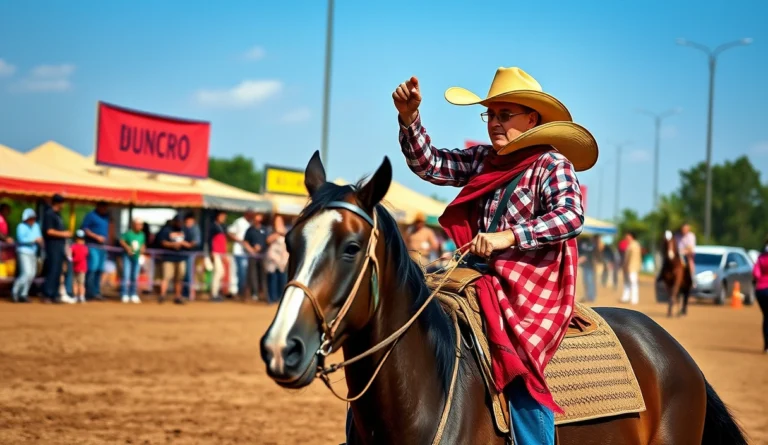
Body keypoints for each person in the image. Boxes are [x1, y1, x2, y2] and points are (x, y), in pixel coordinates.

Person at [386, 67, 595, 444]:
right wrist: (409, 118)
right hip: (477, 277)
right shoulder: (483, 158)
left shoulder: (552, 164)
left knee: (519, 368)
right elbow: (430, 165)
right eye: (490, 115)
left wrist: (508, 236)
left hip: (528, 289)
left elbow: (571, 217)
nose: (494, 124)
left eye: (504, 115)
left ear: (532, 119)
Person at [41, 194, 73, 304]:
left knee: (58, 270)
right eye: (62, 202)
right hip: (52, 246)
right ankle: (47, 294)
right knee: (52, 269)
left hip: (59, 246)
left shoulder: (57, 215)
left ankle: (54, 294)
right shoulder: (49, 214)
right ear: (58, 203)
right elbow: (49, 231)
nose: (63, 205)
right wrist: (64, 234)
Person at [209, 210, 242, 302]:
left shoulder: (222, 227)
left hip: (221, 252)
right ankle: (214, 294)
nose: (224, 218)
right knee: (218, 272)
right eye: (222, 216)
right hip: (215, 252)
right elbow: (209, 240)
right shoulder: (213, 226)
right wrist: (211, 252)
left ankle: (216, 292)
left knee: (221, 273)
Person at [80, 201, 110, 301]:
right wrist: (96, 237)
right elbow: (84, 228)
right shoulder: (91, 216)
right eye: (103, 207)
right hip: (92, 245)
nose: (105, 209)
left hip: (102, 247)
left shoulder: (106, 217)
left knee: (99, 270)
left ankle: (96, 292)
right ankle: (88, 292)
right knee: (92, 269)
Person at [12, 208, 43, 303]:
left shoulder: (36, 226)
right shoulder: (21, 226)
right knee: (26, 273)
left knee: (32, 274)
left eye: (33, 218)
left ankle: (24, 294)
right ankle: (15, 292)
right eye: (31, 218)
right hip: (23, 252)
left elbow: (39, 237)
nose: (32, 220)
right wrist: (34, 240)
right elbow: (21, 239)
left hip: (33, 252)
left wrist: (40, 242)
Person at [156, 215, 188, 305]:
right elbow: (162, 241)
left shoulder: (184, 230)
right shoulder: (167, 230)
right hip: (168, 257)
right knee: (166, 277)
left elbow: (191, 242)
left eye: (181, 222)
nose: (179, 223)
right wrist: (172, 245)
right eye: (178, 221)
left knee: (179, 278)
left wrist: (185, 244)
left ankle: (178, 297)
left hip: (181, 257)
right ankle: (162, 296)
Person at [228, 208, 256, 297]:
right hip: (238, 250)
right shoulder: (239, 221)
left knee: (245, 273)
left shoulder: (251, 223)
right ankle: (236, 291)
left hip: (248, 251)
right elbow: (230, 232)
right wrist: (240, 241)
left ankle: (243, 291)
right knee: (238, 272)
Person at [243, 212, 270, 301]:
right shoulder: (249, 230)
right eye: (256, 220)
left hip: (263, 255)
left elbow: (267, 241)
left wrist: (261, 247)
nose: (258, 221)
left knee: (263, 275)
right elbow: (245, 242)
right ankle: (254, 293)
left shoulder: (265, 229)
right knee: (252, 274)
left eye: (259, 220)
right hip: (252, 255)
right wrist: (251, 250)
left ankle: (265, 294)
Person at [119, 217, 146, 304]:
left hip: (137, 257)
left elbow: (142, 244)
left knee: (134, 276)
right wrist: (127, 248)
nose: (140, 226)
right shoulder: (128, 233)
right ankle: (124, 294)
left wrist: (142, 249)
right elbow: (122, 241)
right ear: (134, 225)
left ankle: (133, 293)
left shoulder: (142, 234)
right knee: (126, 275)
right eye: (138, 224)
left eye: (141, 225)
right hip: (128, 256)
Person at [265, 215, 289, 304]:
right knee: (272, 278)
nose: (278, 222)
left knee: (282, 278)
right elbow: (268, 240)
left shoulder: (286, 230)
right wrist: (278, 233)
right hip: (272, 258)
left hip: (283, 258)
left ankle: (280, 298)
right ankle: (271, 298)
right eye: (277, 220)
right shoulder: (270, 230)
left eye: (280, 220)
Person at [752, 237, 768, 354]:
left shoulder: (761, 257)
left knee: (766, 317)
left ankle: (766, 345)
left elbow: (756, 274)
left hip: (761, 290)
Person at [621, 232, 642, 305]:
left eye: (628, 236)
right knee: (627, 282)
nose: (626, 238)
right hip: (628, 266)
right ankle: (626, 297)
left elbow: (632, 258)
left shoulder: (634, 245)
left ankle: (634, 299)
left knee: (633, 283)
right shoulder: (630, 245)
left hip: (633, 266)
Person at [578, 235, 598, 303]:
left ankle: (591, 297)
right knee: (586, 281)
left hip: (590, 265)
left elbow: (587, 254)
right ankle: (588, 296)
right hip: (586, 266)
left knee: (589, 281)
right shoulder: (582, 243)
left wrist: (582, 258)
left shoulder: (587, 243)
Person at [71, 230, 89, 304]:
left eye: (82, 239)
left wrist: (72, 259)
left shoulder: (84, 248)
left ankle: (81, 296)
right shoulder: (73, 246)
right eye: (79, 239)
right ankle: (76, 296)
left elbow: (80, 257)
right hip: (75, 268)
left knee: (81, 283)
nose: (80, 240)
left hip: (81, 268)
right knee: (75, 283)